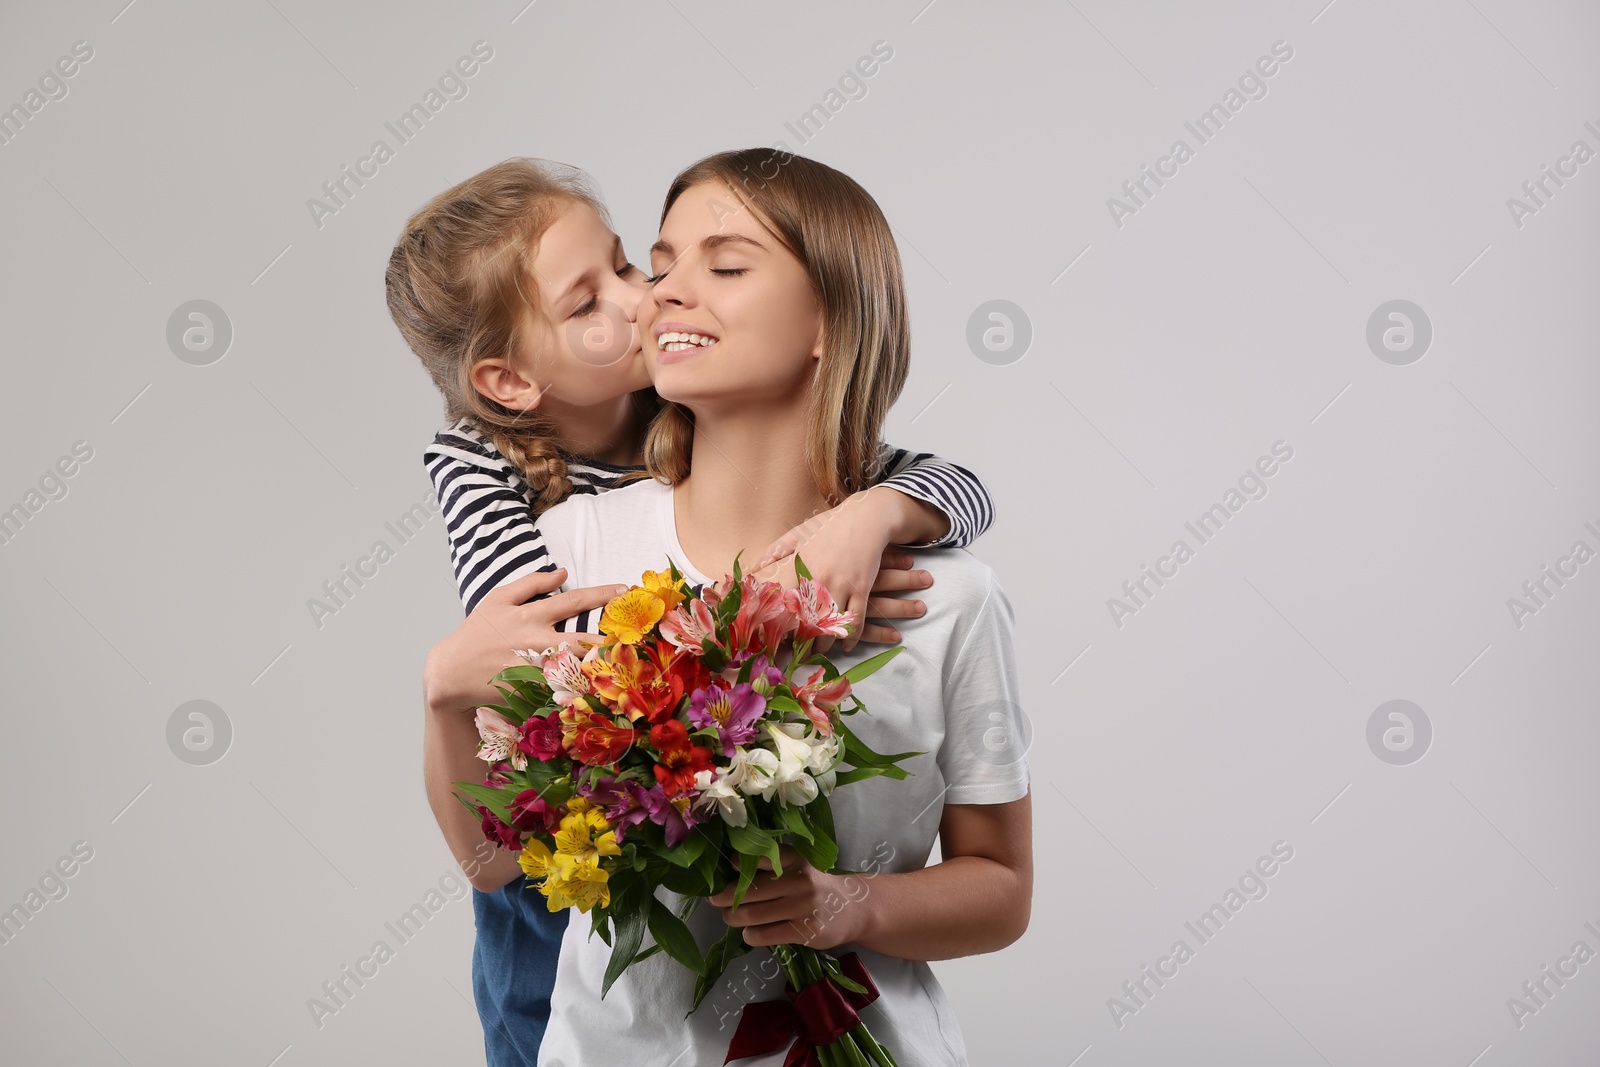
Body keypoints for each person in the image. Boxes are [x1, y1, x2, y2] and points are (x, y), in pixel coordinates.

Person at [385, 157, 1001, 1065]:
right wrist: (754, 623)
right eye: (588, 301)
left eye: (633, 268)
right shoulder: (501, 482)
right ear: (511, 381)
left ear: (830, 319)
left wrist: (876, 514)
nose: (648, 300)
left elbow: (961, 488)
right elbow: (556, 666)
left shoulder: (933, 584)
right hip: (556, 900)